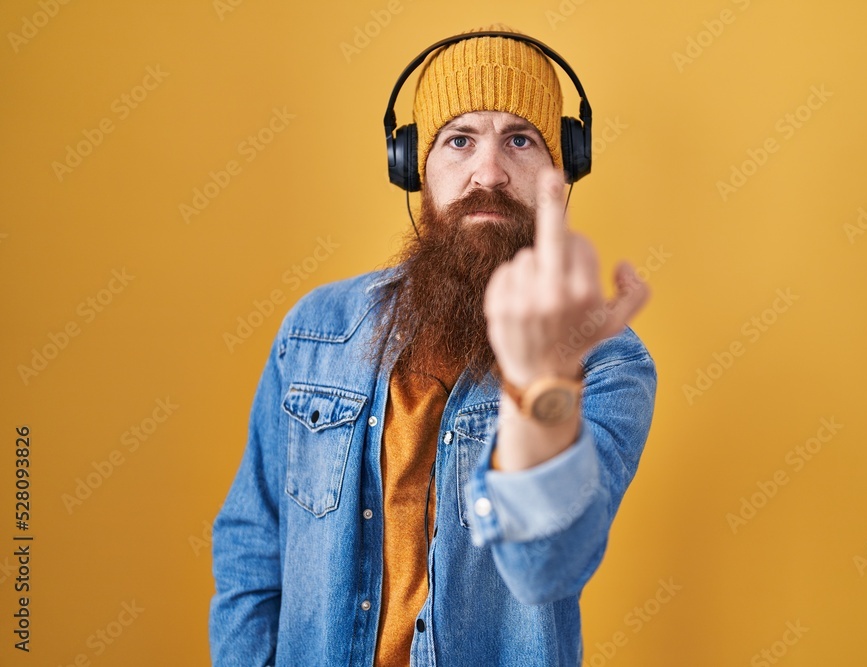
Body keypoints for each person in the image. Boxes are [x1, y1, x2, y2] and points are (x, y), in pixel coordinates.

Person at [209, 23, 657, 667]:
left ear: (563, 169)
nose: (489, 172)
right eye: (460, 140)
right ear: (412, 167)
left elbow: (547, 566)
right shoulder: (315, 331)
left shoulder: (607, 359)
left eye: (521, 140)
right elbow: (253, 543)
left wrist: (538, 389)